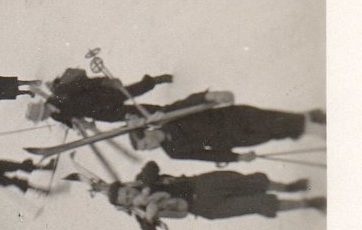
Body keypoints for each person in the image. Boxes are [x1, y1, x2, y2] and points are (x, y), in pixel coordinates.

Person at [102, 160, 325, 230]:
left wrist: (147, 188)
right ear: (126, 206)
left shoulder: (143, 180)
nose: (130, 196)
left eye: (127, 192)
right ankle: (308, 204)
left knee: (251, 182)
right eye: (126, 200)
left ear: (127, 186)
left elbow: (152, 165)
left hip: (202, 184)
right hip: (205, 207)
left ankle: (288, 187)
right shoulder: (141, 215)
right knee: (258, 204)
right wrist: (150, 221)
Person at [129, 91, 325, 163]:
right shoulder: (173, 152)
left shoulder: (166, 118)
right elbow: (206, 156)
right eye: (146, 149)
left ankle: (321, 130)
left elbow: (188, 102)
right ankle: (309, 118)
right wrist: (237, 158)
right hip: (231, 140)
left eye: (145, 143)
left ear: (147, 131)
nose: (149, 147)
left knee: (275, 124)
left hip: (232, 117)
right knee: (272, 133)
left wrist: (212, 96)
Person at [30, 68, 174, 127]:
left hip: (102, 96)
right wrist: (80, 125)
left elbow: (83, 84)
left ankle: (155, 81)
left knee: (133, 91)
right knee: (132, 113)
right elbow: (70, 121)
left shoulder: (59, 94)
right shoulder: (55, 116)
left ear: (43, 110)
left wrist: (105, 81)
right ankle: (162, 111)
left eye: (42, 116)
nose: (44, 118)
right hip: (101, 113)